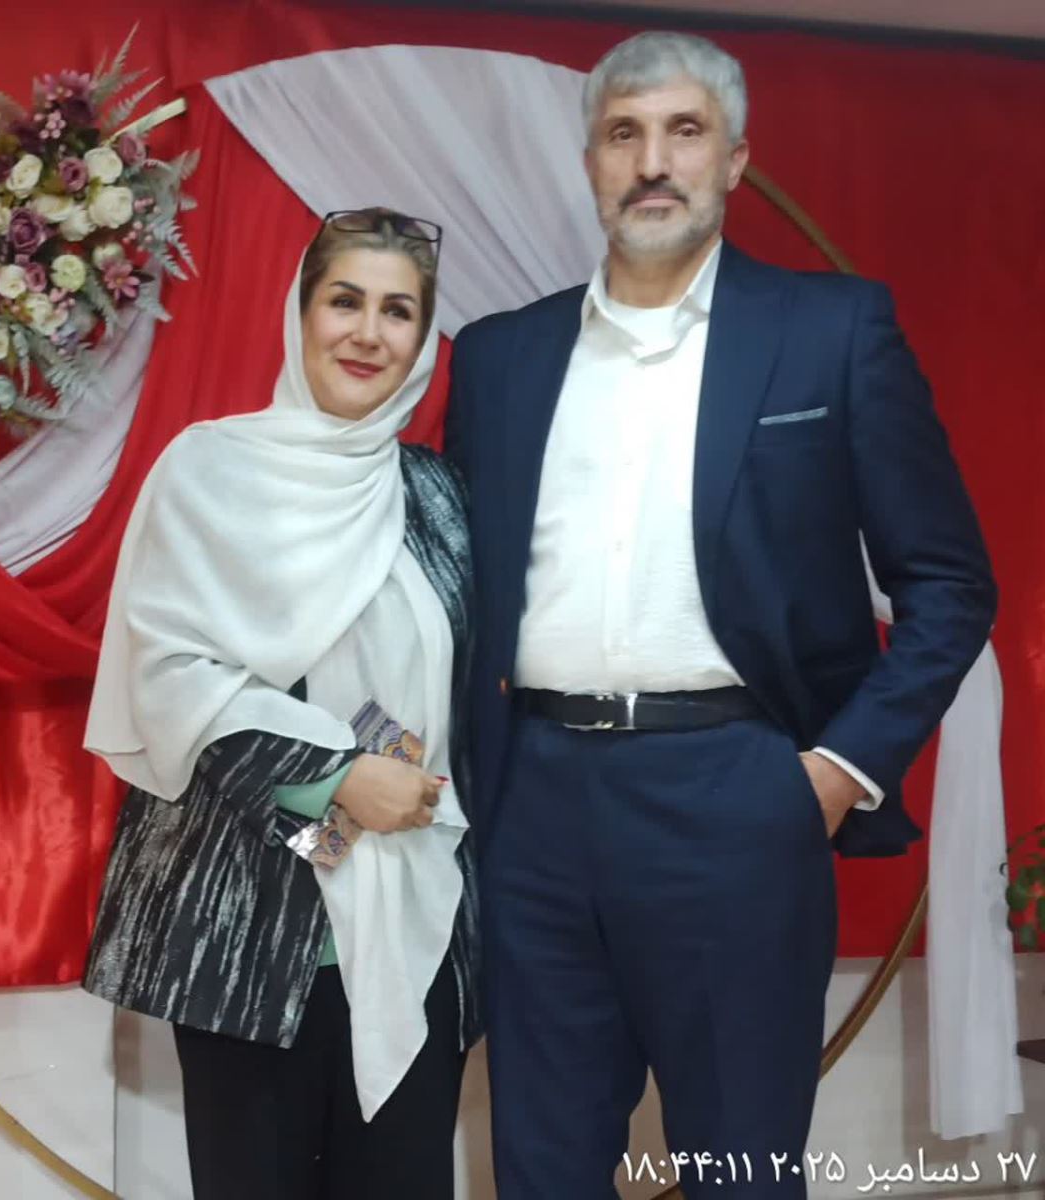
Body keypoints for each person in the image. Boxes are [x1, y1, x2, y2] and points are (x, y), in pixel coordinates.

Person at [445, 31, 996, 1199]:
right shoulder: (498, 359)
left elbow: (950, 585)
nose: (653, 161)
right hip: (533, 809)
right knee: (539, 1171)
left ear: (735, 160)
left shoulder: (832, 331)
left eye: (683, 131)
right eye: (624, 134)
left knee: (738, 1171)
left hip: (734, 797)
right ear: (590, 163)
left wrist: (834, 773)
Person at [82, 208, 480, 1200]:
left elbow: (466, 694)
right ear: (300, 314)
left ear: (422, 339)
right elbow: (172, 673)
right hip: (248, 937)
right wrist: (335, 779)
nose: (367, 333)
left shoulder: (435, 495)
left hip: (412, 928)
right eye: (345, 301)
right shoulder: (211, 469)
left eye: (398, 311)